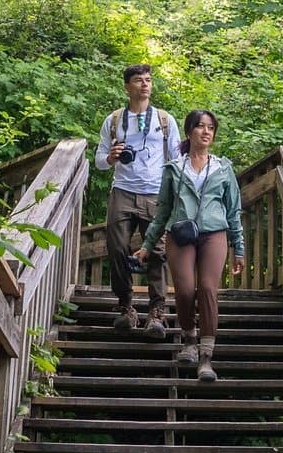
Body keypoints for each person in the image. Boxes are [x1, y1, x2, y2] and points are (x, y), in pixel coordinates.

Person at [132, 109, 244, 382]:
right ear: (189, 131)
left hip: (214, 233)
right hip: (180, 234)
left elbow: (233, 211)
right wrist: (147, 245)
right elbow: (162, 211)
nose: (206, 132)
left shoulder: (223, 168)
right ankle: (189, 339)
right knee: (184, 290)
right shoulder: (174, 168)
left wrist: (239, 248)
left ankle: (206, 357)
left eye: (210, 128)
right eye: (200, 126)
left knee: (207, 288)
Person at [94, 64, 183, 338]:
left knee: (157, 251)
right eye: (138, 80)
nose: (145, 84)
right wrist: (111, 157)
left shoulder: (165, 120)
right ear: (127, 87)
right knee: (117, 248)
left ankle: (157, 313)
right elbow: (99, 161)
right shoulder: (114, 120)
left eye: (148, 80)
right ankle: (126, 307)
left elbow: (177, 159)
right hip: (122, 190)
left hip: (155, 193)